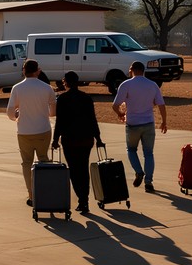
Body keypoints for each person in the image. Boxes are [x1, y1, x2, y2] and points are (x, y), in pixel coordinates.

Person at [111, 61, 167, 194]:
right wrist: (164, 121)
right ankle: (149, 182)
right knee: (148, 153)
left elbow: (115, 104)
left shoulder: (126, 85)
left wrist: (120, 114)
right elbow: (161, 104)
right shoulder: (152, 85)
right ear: (144, 70)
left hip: (132, 123)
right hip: (148, 123)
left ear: (131, 70)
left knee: (131, 150)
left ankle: (139, 172)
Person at [6, 59, 57, 206]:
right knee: (43, 159)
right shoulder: (47, 88)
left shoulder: (17, 88)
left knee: (27, 163)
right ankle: (45, 191)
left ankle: (32, 194)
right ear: (38, 71)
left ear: (24, 71)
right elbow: (52, 112)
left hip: (24, 131)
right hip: (43, 130)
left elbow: (10, 111)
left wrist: (15, 117)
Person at [52, 71, 103, 213]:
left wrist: (55, 140)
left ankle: (82, 199)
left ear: (65, 82)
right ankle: (84, 200)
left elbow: (59, 122)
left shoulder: (62, 99)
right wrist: (98, 139)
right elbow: (93, 120)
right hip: (86, 140)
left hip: (70, 141)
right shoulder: (86, 98)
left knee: (74, 171)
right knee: (83, 168)